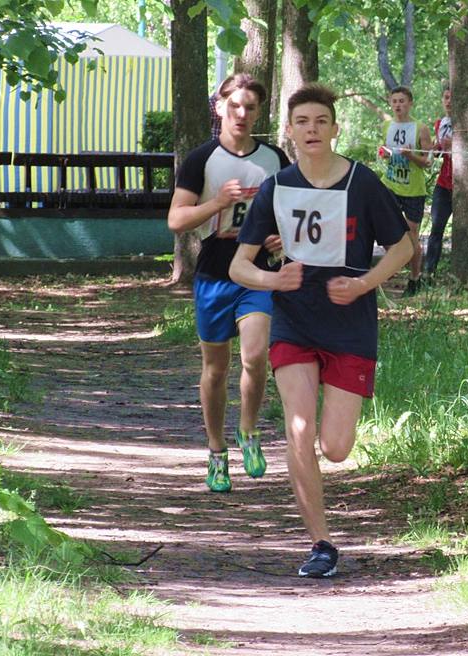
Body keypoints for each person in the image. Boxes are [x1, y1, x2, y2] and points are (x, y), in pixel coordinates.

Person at [230, 83, 413, 578]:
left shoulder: (361, 183)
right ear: (289, 132)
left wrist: (364, 284)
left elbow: (403, 248)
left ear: (335, 129)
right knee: (299, 428)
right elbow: (239, 266)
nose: (311, 130)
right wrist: (274, 280)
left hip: (350, 324)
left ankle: (323, 533)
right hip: (294, 320)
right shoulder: (277, 187)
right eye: (302, 122)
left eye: (320, 121)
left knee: (335, 446)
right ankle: (321, 544)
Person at [167, 73, 292, 493]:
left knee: (256, 356)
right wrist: (218, 202)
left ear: (259, 113)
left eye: (250, 108)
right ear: (219, 107)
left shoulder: (275, 158)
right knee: (216, 369)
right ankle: (216, 451)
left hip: (257, 271)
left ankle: (249, 432)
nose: (242, 114)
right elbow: (176, 220)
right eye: (234, 105)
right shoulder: (201, 159)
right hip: (214, 273)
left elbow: (293, 210)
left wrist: (281, 237)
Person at [378, 86, 432, 296]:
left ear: (410, 103)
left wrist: (411, 156)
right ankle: (395, 262)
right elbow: (386, 150)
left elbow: (428, 162)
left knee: (411, 237)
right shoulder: (386, 126)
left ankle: (415, 278)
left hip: (413, 190)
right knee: (381, 228)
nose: (398, 105)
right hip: (390, 185)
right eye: (394, 101)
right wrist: (384, 154)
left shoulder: (421, 128)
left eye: (402, 101)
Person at [423, 86, 453, 279]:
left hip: (463, 186)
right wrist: (436, 150)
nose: (449, 102)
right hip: (444, 184)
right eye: (446, 97)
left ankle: (458, 270)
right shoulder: (440, 124)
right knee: (436, 228)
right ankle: (429, 272)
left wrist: (454, 145)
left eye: (452, 98)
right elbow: (440, 153)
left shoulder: (467, 123)